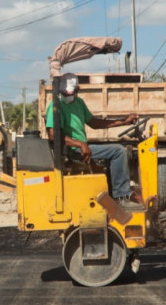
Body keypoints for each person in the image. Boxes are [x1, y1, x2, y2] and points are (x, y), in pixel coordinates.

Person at [46, 73, 139, 206]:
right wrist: (80, 145)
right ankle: (121, 196)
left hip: (80, 147)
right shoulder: (56, 106)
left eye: (71, 92)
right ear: (60, 91)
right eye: (65, 93)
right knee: (118, 151)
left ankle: (112, 194)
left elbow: (95, 123)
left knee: (115, 149)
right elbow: (54, 135)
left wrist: (124, 121)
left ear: (77, 90)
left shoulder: (79, 103)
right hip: (72, 151)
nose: (68, 95)